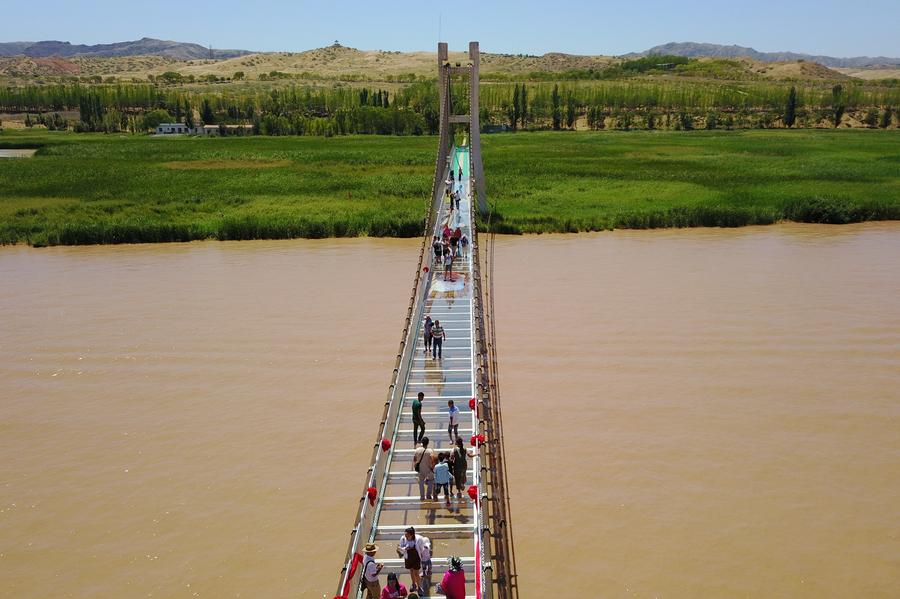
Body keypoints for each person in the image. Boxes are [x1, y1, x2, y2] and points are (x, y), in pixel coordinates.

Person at [398, 526, 429, 593]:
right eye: (405, 534)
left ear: (411, 535)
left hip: (416, 558)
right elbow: (400, 548)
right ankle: (413, 584)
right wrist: (404, 549)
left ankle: (419, 587)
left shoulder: (419, 539)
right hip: (408, 558)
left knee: (416, 573)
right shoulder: (403, 538)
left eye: (407, 535)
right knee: (411, 571)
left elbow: (421, 549)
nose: (405, 536)